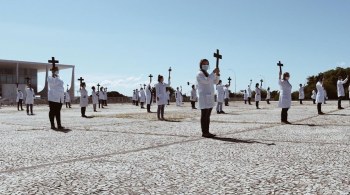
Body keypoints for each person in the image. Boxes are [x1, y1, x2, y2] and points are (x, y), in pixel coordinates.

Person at [197, 59, 220, 138]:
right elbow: (206, 81)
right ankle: (204, 132)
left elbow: (215, 82)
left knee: (208, 115)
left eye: (207, 64)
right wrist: (213, 73)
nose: (206, 65)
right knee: (204, 115)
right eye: (204, 64)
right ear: (201, 65)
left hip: (209, 96)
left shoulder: (208, 73)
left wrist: (217, 74)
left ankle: (207, 131)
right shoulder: (200, 74)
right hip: (203, 97)